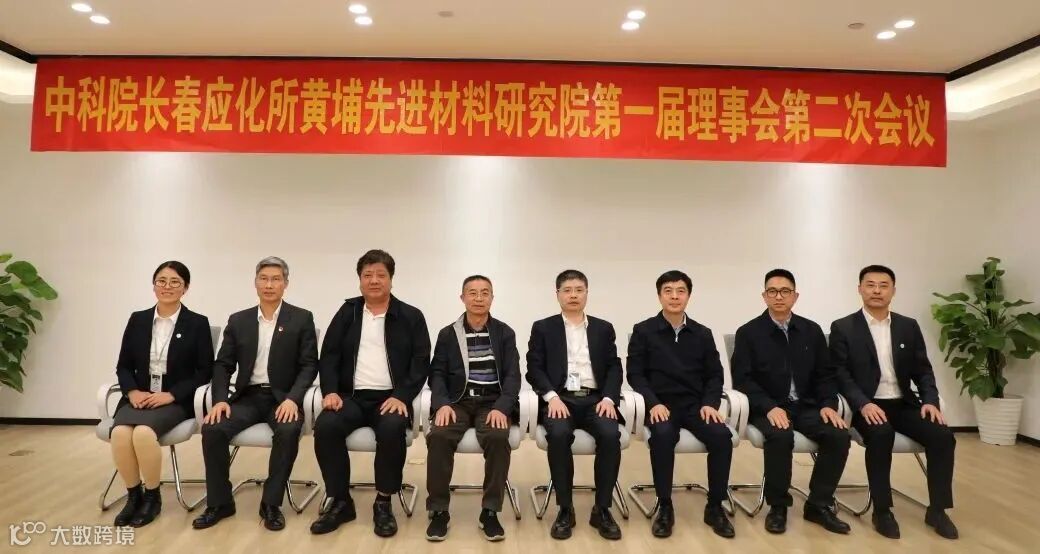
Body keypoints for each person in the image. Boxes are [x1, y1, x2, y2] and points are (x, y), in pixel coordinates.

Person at [831, 264, 958, 540]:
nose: (877, 291)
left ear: (893, 291)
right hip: (867, 405)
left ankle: (938, 510)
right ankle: (882, 510)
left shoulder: (907, 326)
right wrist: (862, 403)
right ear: (860, 289)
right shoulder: (843, 327)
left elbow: (923, 370)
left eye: (883, 285)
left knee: (942, 436)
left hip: (903, 403)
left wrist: (930, 401)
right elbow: (840, 374)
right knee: (881, 434)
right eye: (870, 285)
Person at [310, 249, 431, 537]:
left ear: (391, 279)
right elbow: (329, 355)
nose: (374, 280)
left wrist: (402, 396)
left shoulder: (410, 316)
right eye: (367, 275)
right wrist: (330, 391)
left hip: (391, 398)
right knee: (326, 426)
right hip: (351, 397)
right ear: (360, 280)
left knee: (391, 429)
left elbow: (420, 362)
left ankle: (383, 502)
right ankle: (340, 500)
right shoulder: (348, 312)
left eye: (380, 275)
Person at [192, 257, 318, 531]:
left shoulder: (301, 318)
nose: (269, 284)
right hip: (247, 397)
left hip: (282, 398)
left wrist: (293, 399)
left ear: (285, 284)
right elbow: (223, 365)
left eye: (276, 279)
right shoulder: (239, 320)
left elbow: (309, 365)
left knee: (288, 430)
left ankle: (271, 504)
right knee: (213, 428)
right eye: (264, 279)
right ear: (255, 283)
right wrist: (220, 400)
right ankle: (220, 502)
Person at [731, 268, 851, 535]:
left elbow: (825, 375)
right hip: (767, 406)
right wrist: (769, 407)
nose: (778, 297)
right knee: (780, 435)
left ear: (795, 296)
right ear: (764, 296)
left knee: (838, 434)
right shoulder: (748, 333)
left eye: (785, 291)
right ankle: (778, 507)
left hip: (806, 406)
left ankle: (818, 504)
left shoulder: (811, 331)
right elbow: (743, 380)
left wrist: (828, 405)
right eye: (772, 291)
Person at [627, 270, 735, 539]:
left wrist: (710, 403)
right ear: (659, 296)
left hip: (695, 405)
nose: (674, 296)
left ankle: (715, 506)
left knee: (721, 436)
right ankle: (665, 506)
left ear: (689, 295)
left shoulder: (702, 333)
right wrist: (653, 403)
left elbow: (715, 375)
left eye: (680, 291)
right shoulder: (644, 331)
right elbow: (635, 374)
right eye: (668, 291)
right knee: (663, 437)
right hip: (660, 405)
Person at [110, 261, 214, 528]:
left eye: (175, 282)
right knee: (120, 433)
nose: (167, 287)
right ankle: (133, 496)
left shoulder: (197, 323)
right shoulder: (138, 319)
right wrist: (132, 391)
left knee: (143, 434)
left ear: (185, 288)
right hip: (140, 397)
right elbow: (123, 366)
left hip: (176, 400)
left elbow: (204, 371)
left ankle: (152, 497)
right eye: (162, 281)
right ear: (154, 285)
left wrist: (172, 395)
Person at [526, 269, 624, 540]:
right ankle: (565, 508)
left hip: (595, 399)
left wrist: (609, 398)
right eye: (567, 290)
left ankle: (602, 509)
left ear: (586, 294)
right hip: (560, 398)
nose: (573, 295)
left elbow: (614, 367)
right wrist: (551, 397)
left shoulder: (603, 328)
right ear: (557, 294)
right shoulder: (543, 327)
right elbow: (534, 368)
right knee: (558, 434)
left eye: (579, 290)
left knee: (610, 435)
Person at [424, 275, 520, 542]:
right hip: (457, 401)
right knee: (439, 435)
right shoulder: (448, 334)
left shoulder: (504, 333)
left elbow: (513, 376)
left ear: (492, 298)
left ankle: (490, 511)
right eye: (473, 293)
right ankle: (439, 510)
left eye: (485, 293)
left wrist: (502, 407)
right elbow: (437, 373)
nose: (479, 298)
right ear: (462, 297)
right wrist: (442, 403)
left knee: (498, 437)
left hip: (492, 402)